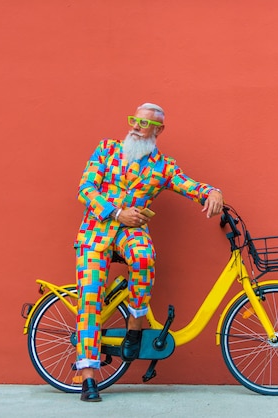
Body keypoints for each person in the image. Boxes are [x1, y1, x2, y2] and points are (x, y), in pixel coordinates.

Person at [74, 103, 224, 402]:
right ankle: (88, 376)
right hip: (96, 233)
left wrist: (212, 191)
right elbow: (85, 188)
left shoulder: (163, 166)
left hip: (133, 235)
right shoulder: (106, 150)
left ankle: (134, 326)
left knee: (144, 257)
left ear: (158, 130)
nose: (136, 126)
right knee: (90, 295)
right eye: (133, 120)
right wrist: (117, 212)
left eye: (144, 123)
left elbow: (188, 185)